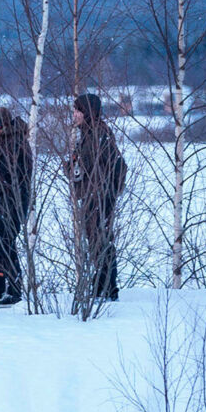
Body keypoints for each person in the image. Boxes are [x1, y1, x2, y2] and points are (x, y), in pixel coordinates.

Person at [66, 93, 126, 302]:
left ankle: (107, 286)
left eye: (77, 110)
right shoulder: (88, 133)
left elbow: (112, 164)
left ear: (87, 112)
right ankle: (102, 284)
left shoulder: (98, 134)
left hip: (99, 196)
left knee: (101, 239)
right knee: (96, 240)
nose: (74, 115)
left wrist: (106, 192)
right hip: (93, 194)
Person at [0, 107, 33, 307]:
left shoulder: (14, 143)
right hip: (4, 203)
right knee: (3, 246)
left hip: (11, 203)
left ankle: (14, 290)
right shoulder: (4, 142)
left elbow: (12, 176)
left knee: (7, 246)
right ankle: (8, 289)